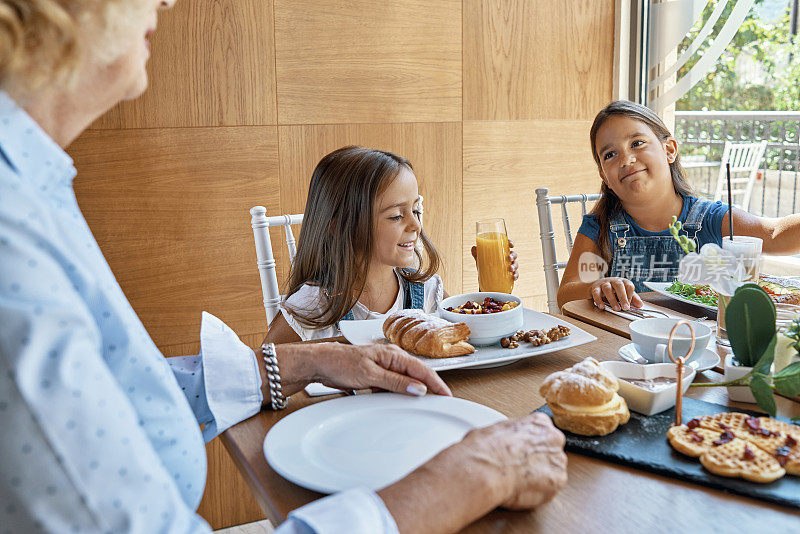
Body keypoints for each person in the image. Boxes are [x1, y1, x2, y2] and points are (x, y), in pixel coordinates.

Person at [0, 1, 567, 533]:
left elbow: (121, 394)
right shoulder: (12, 236)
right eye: (398, 214)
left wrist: (306, 363)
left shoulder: (35, 187)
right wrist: (475, 473)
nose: (169, 2)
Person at [557, 100, 800, 312]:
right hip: (625, 350)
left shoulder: (711, 218)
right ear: (604, 176)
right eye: (610, 154)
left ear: (669, 149)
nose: (626, 160)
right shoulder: (600, 227)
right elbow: (566, 294)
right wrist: (596, 286)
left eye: (637, 143)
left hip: (705, 352)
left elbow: (776, 235)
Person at [265, 146, 519, 343]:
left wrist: (491, 293)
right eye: (397, 216)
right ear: (340, 226)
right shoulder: (313, 307)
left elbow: (475, 339)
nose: (416, 225)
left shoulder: (426, 292)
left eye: (416, 210)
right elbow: (267, 377)